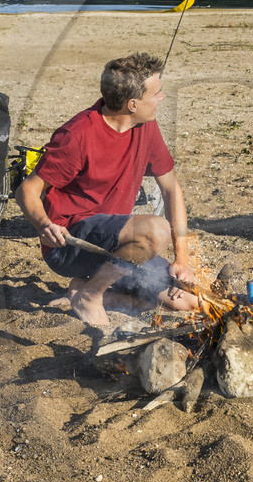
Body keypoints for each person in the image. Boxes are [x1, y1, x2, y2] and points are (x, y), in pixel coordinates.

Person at [14, 51, 198, 327]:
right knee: (155, 230)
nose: (162, 98)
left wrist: (181, 259)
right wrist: (44, 226)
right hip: (71, 243)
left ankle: (92, 291)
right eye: (157, 93)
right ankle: (92, 293)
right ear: (133, 104)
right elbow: (26, 190)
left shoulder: (146, 127)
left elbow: (172, 190)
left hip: (117, 246)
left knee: (187, 301)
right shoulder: (77, 135)